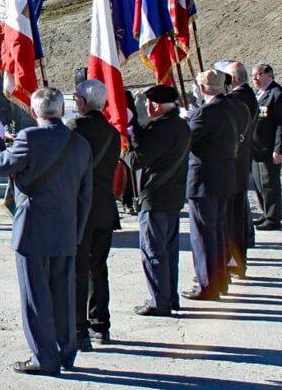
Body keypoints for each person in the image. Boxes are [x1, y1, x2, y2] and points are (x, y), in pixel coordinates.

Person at [0, 87, 92, 376]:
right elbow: (86, 195)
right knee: (63, 295)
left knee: (36, 297)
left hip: (32, 228)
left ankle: (43, 358)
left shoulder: (29, 137)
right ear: (61, 111)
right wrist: (77, 232)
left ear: (34, 112)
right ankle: (65, 352)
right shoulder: (80, 144)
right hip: (66, 229)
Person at [66, 80, 121, 348]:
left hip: (80, 208)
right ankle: (101, 324)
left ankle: (79, 328)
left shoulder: (74, 130)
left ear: (83, 103)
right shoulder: (112, 133)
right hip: (104, 208)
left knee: (78, 269)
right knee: (98, 269)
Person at [129, 85, 191, 315]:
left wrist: (130, 130)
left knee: (153, 251)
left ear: (155, 105)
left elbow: (139, 158)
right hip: (172, 194)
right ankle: (169, 296)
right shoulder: (179, 125)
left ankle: (159, 301)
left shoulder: (162, 129)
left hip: (155, 195)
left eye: (148, 103)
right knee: (168, 250)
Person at [183, 69, 240, 301]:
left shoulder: (206, 112)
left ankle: (207, 285)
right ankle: (220, 278)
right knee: (217, 231)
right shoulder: (232, 107)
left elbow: (187, 140)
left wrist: (186, 119)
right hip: (225, 176)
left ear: (204, 88)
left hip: (204, 179)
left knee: (204, 234)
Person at [224, 62, 257, 277]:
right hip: (241, 162)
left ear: (233, 79)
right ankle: (237, 259)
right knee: (237, 214)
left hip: (232, 164)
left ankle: (235, 261)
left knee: (231, 217)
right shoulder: (248, 96)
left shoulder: (235, 101)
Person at [251, 63, 282, 231]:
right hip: (257, 148)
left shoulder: (277, 94)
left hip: (269, 148)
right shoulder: (260, 93)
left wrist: (279, 148)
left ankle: (273, 218)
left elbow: (280, 125)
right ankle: (265, 213)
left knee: (270, 184)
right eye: (253, 75)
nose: (254, 78)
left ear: (269, 75)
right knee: (259, 183)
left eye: (258, 74)